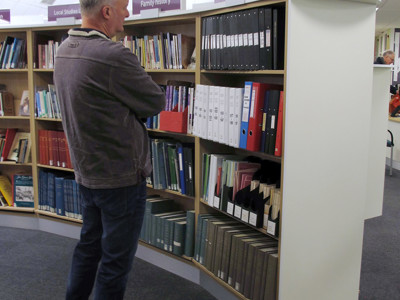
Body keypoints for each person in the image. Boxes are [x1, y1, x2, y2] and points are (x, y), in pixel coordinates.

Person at [53, 0, 166, 299]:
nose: (127, 13)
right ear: (106, 12)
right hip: (121, 179)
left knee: (88, 249)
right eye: (124, 6)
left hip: (88, 174)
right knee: (115, 265)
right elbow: (155, 101)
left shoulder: (64, 49)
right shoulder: (112, 55)